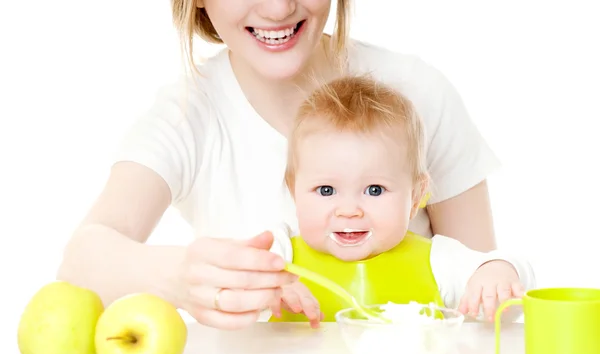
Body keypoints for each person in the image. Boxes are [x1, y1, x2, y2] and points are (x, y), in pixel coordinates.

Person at [57, 0, 504, 331]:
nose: (278, 8)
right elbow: (80, 263)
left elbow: (484, 311)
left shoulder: (417, 91)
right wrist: (179, 279)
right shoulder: (187, 115)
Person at [265, 75, 536, 328]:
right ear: (294, 191)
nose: (349, 211)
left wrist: (498, 273)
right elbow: (235, 290)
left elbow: (508, 308)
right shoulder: (279, 256)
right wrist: (262, 287)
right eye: (326, 190)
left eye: (374, 190)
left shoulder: (438, 261)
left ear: (416, 196)